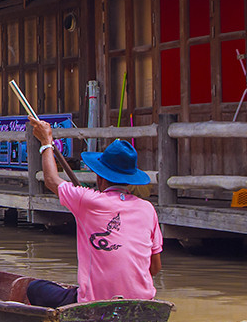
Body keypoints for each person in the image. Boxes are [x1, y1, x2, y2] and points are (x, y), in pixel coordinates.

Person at [28, 119, 163, 307]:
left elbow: (51, 180)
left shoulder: (89, 201)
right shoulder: (148, 209)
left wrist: (46, 142)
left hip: (95, 304)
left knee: (34, 288)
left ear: (100, 178)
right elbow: (154, 268)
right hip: (143, 303)